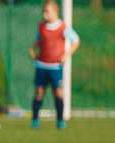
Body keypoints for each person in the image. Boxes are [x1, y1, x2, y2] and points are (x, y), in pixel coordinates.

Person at [28, 0, 80, 130]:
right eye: (44, 12)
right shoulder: (41, 26)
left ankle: (60, 120)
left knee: (58, 93)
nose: (44, 14)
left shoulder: (62, 27)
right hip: (41, 65)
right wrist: (32, 49)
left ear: (56, 12)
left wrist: (67, 54)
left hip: (55, 67)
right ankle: (35, 120)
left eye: (47, 11)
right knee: (39, 92)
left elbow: (76, 41)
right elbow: (37, 41)